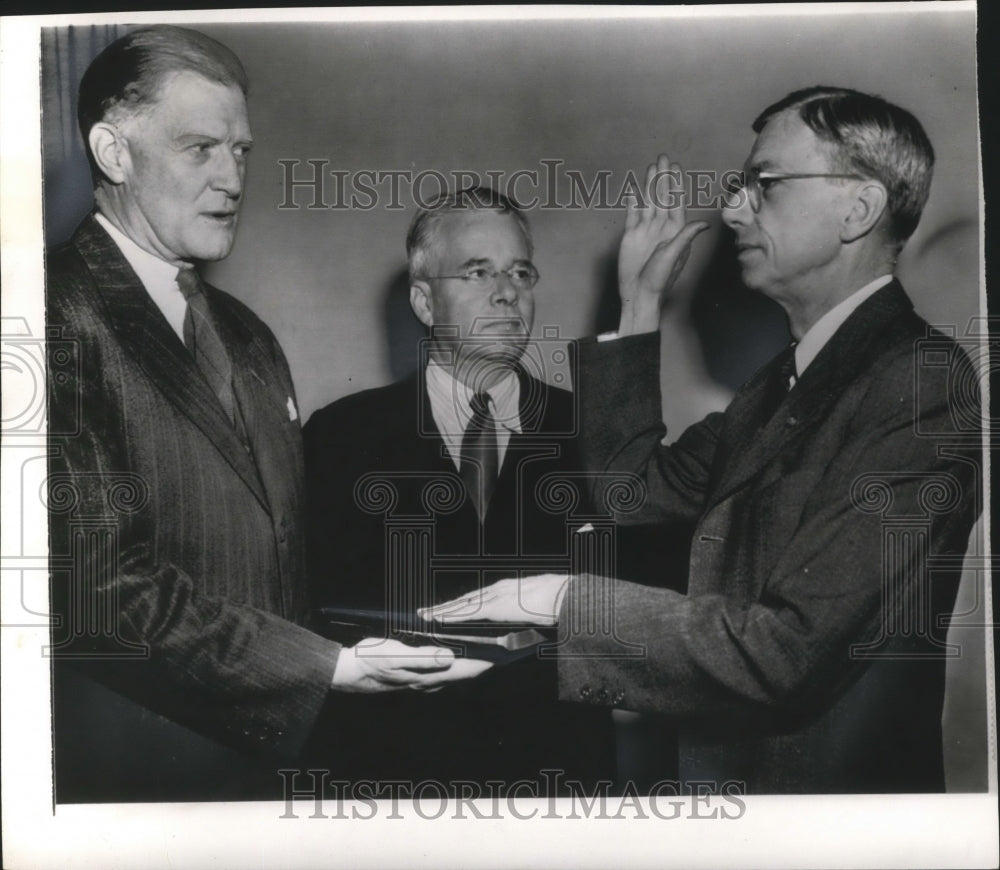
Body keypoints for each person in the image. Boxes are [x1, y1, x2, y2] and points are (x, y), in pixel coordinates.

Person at [424, 87, 982, 793]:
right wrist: (639, 301)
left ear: (859, 209)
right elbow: (631, 492)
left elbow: (787, 654)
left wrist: (564, 601)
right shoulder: (787, 381)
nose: (731, 210)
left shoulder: (917, 383)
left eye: (765, 185)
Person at [46, 25, 488, 803]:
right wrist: (328, 668)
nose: (231, 178)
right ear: (114, 154)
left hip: (276, 763)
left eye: (241, 150)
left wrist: (411, 628)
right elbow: (96, 593)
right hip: (136, 773)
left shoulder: (247, 333)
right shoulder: (48, 315)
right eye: (200, 148)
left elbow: (279, 553)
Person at [303, 187, 617, 793]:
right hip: (389, 781)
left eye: (520, 272)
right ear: (423, 301)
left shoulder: (597, 433)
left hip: (560, 780)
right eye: (477, 272)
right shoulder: (340, 435)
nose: (507, 292)